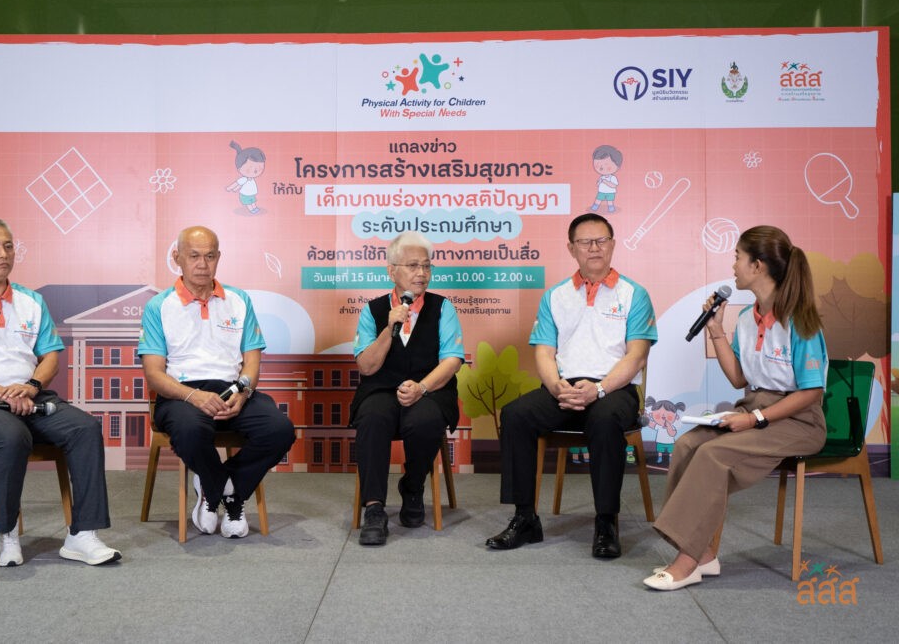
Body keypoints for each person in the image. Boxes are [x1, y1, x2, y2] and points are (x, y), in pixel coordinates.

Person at [0, 217, 120, 567]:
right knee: (11, 437)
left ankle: (82, 535)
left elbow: (50, 358)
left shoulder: (32, 300)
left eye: (8, 246)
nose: (4, 254)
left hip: (32, 398)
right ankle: (6, 532)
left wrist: (30, 386)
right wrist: (1, 392)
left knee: (85, 428)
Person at [644, 226, 827, 590]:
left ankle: (687, 560)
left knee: (714, 454)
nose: (733, 266)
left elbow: (811, 393)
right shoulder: (746, 319)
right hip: (754, 407)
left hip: (799, 420)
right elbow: (738, 378)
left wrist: (756, 418)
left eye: (738, 258)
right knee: (688, 444)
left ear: (757, 266)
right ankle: (704, 555)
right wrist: (715, 329)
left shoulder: (801, 321)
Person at [486, 213, 656, 558]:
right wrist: (556, 387)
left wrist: (600, 389)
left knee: (605, 419)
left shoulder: (634, 294)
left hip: (613, 390)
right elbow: (544, 352)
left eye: (601, 240)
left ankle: (606, 522)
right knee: (516, 414)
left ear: (612, 244)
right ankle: (525, 517)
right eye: (585, 242)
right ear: (571, 248)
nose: (594, 248)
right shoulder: (555, 296)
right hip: (563, 388)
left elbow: (636, 356)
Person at [138, 226, 295, 538]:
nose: (202, 264)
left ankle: (225, 490)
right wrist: (193, 396)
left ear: (218, 257)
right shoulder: (159, 306)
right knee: (190, 430)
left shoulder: (239, 300)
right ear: (177, 258)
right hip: (182, 394)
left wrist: (244, 391)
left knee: (279, 429)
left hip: (233, 389)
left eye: (210, 256)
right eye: (194, 256)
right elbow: (154, 374)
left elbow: (252, 362)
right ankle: (219, 489)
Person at [351, 231, 464, 545]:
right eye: (413, 266)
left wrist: (422, 387)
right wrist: (389, 328)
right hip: (381, 389)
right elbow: (367, 367)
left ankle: (412, 487)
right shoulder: (373, 311)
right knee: (373, 418)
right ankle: (374, 508)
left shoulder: (442, 308)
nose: (422, 273)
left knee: (424, 420)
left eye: (426, 266)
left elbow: (453, 360)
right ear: (392, 271)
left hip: (431, 389)